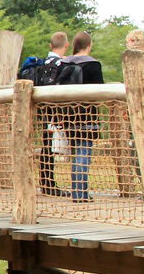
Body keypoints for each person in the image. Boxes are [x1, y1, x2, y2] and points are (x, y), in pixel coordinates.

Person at [58, 31, 104, 202]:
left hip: (69, 116)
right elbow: (99, 91)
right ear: (89, 45)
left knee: (76, 153)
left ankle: (78, 191)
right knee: (84, 152)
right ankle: (80, 193)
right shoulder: (93, 65)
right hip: (87, 115)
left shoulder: (64, 63)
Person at [24, 31, 70, 195]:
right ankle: (49, 184)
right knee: (50, 146)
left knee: (46, 146)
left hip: (41, 109)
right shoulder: (62, 64)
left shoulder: (42, 63)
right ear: (67, 45)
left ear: (50, 45)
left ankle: (46, 182)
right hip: (55, 112)